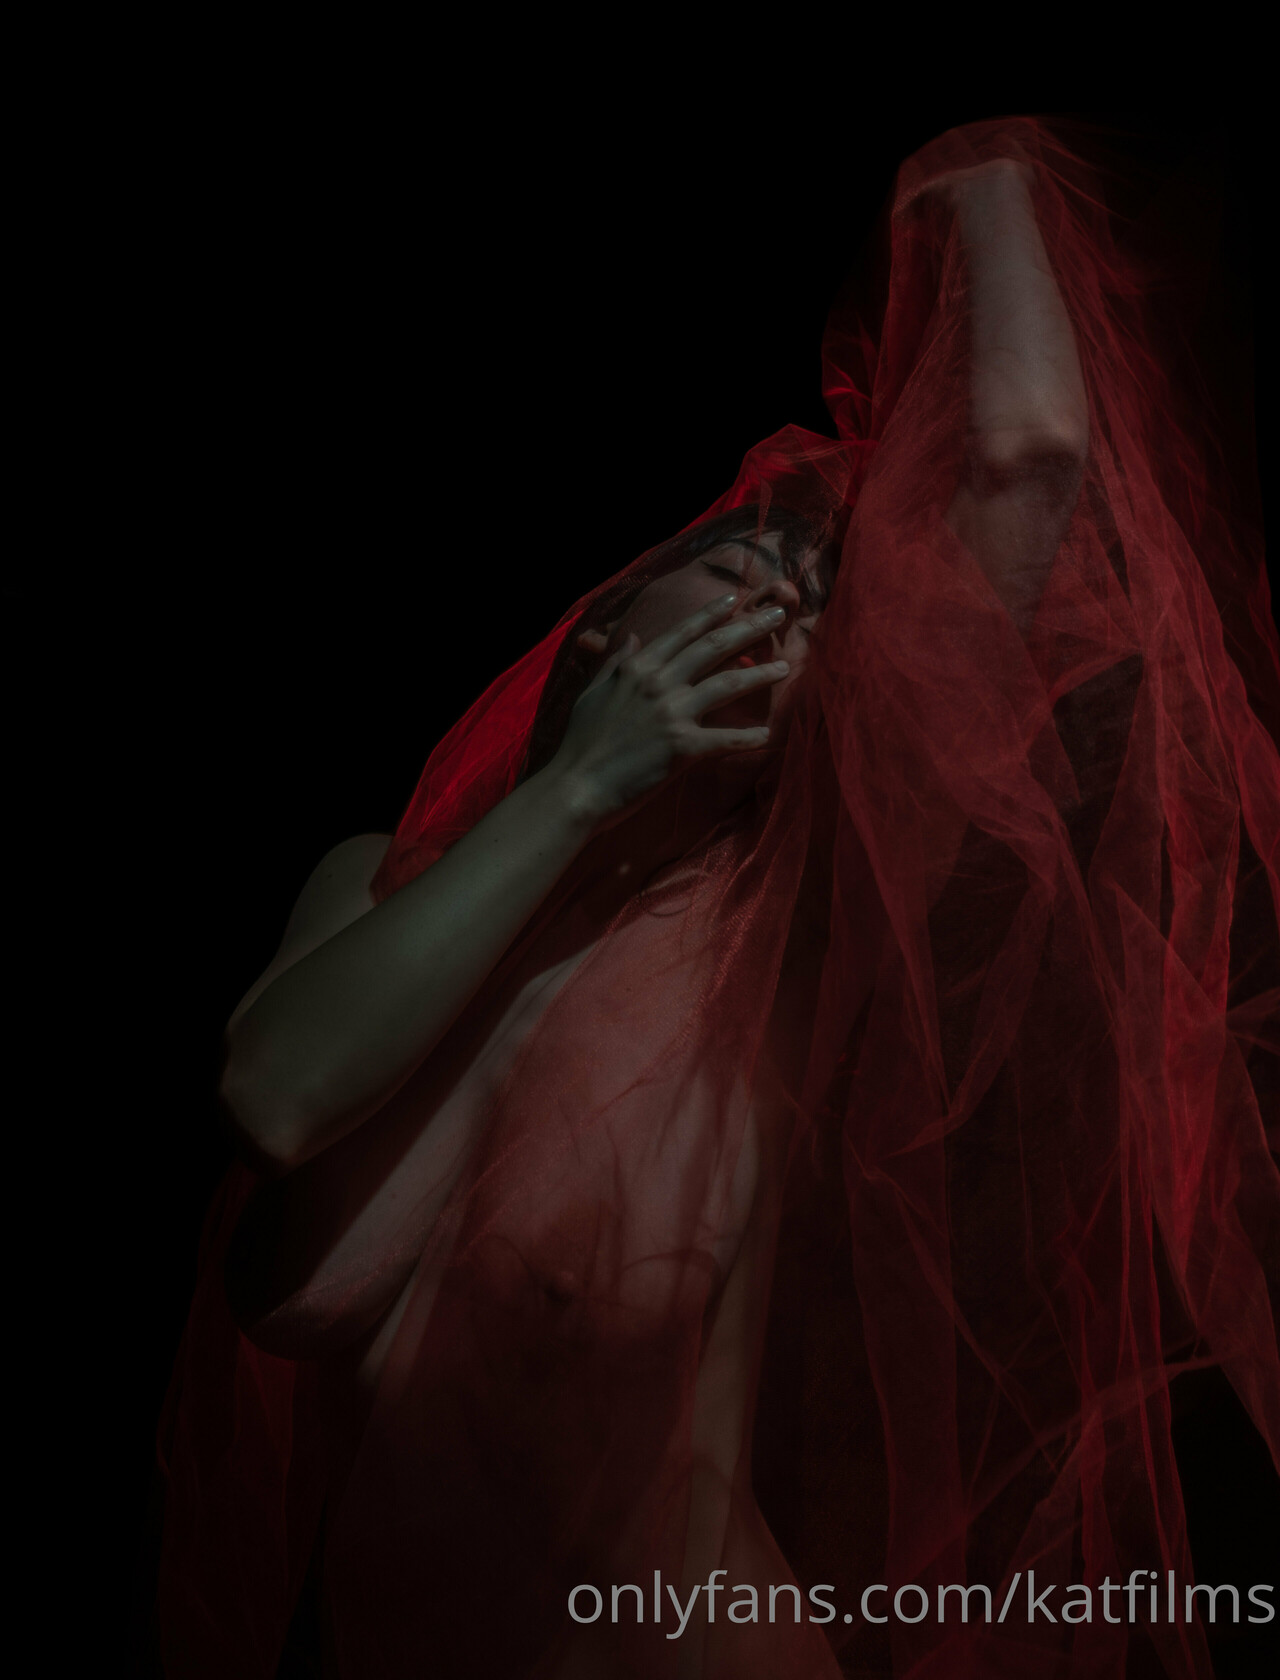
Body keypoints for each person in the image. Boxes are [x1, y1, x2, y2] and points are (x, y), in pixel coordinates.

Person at [153, 122, 1279, 1680]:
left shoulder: (781, 931)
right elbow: (273, 1097)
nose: (796, 600)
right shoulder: (377, 878)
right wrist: (578, 790)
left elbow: (1028, 456)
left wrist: (979, 168)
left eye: (822, 602)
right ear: (604, 630)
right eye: (751, 561)